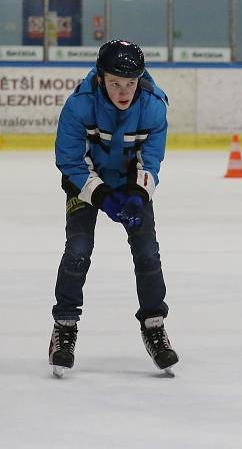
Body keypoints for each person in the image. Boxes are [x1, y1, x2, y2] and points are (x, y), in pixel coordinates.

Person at [49, 40, 179, 377]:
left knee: (147, 252)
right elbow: (70, 160)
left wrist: (137, 193)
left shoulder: (153, 106)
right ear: (100, 78)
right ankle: (64, 327)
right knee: (78, 249)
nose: (123, 91)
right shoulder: (80, 106)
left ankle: (154, 325)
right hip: (85, 184)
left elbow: (151, 159)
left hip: (129, 185)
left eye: (130, 83)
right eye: (115, 83)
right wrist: (102, 196)